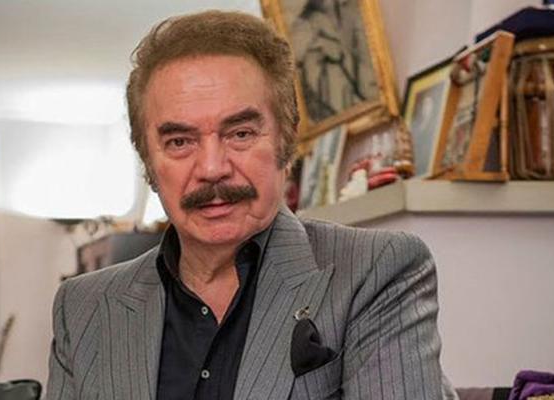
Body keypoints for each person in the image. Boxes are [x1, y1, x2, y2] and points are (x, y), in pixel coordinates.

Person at [47, 10, 454, 400]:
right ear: (148, 161)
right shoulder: (83, 307)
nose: (212, 169)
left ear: (286, 142)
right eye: (179, 142)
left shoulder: (376, 271)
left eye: (240, 133)